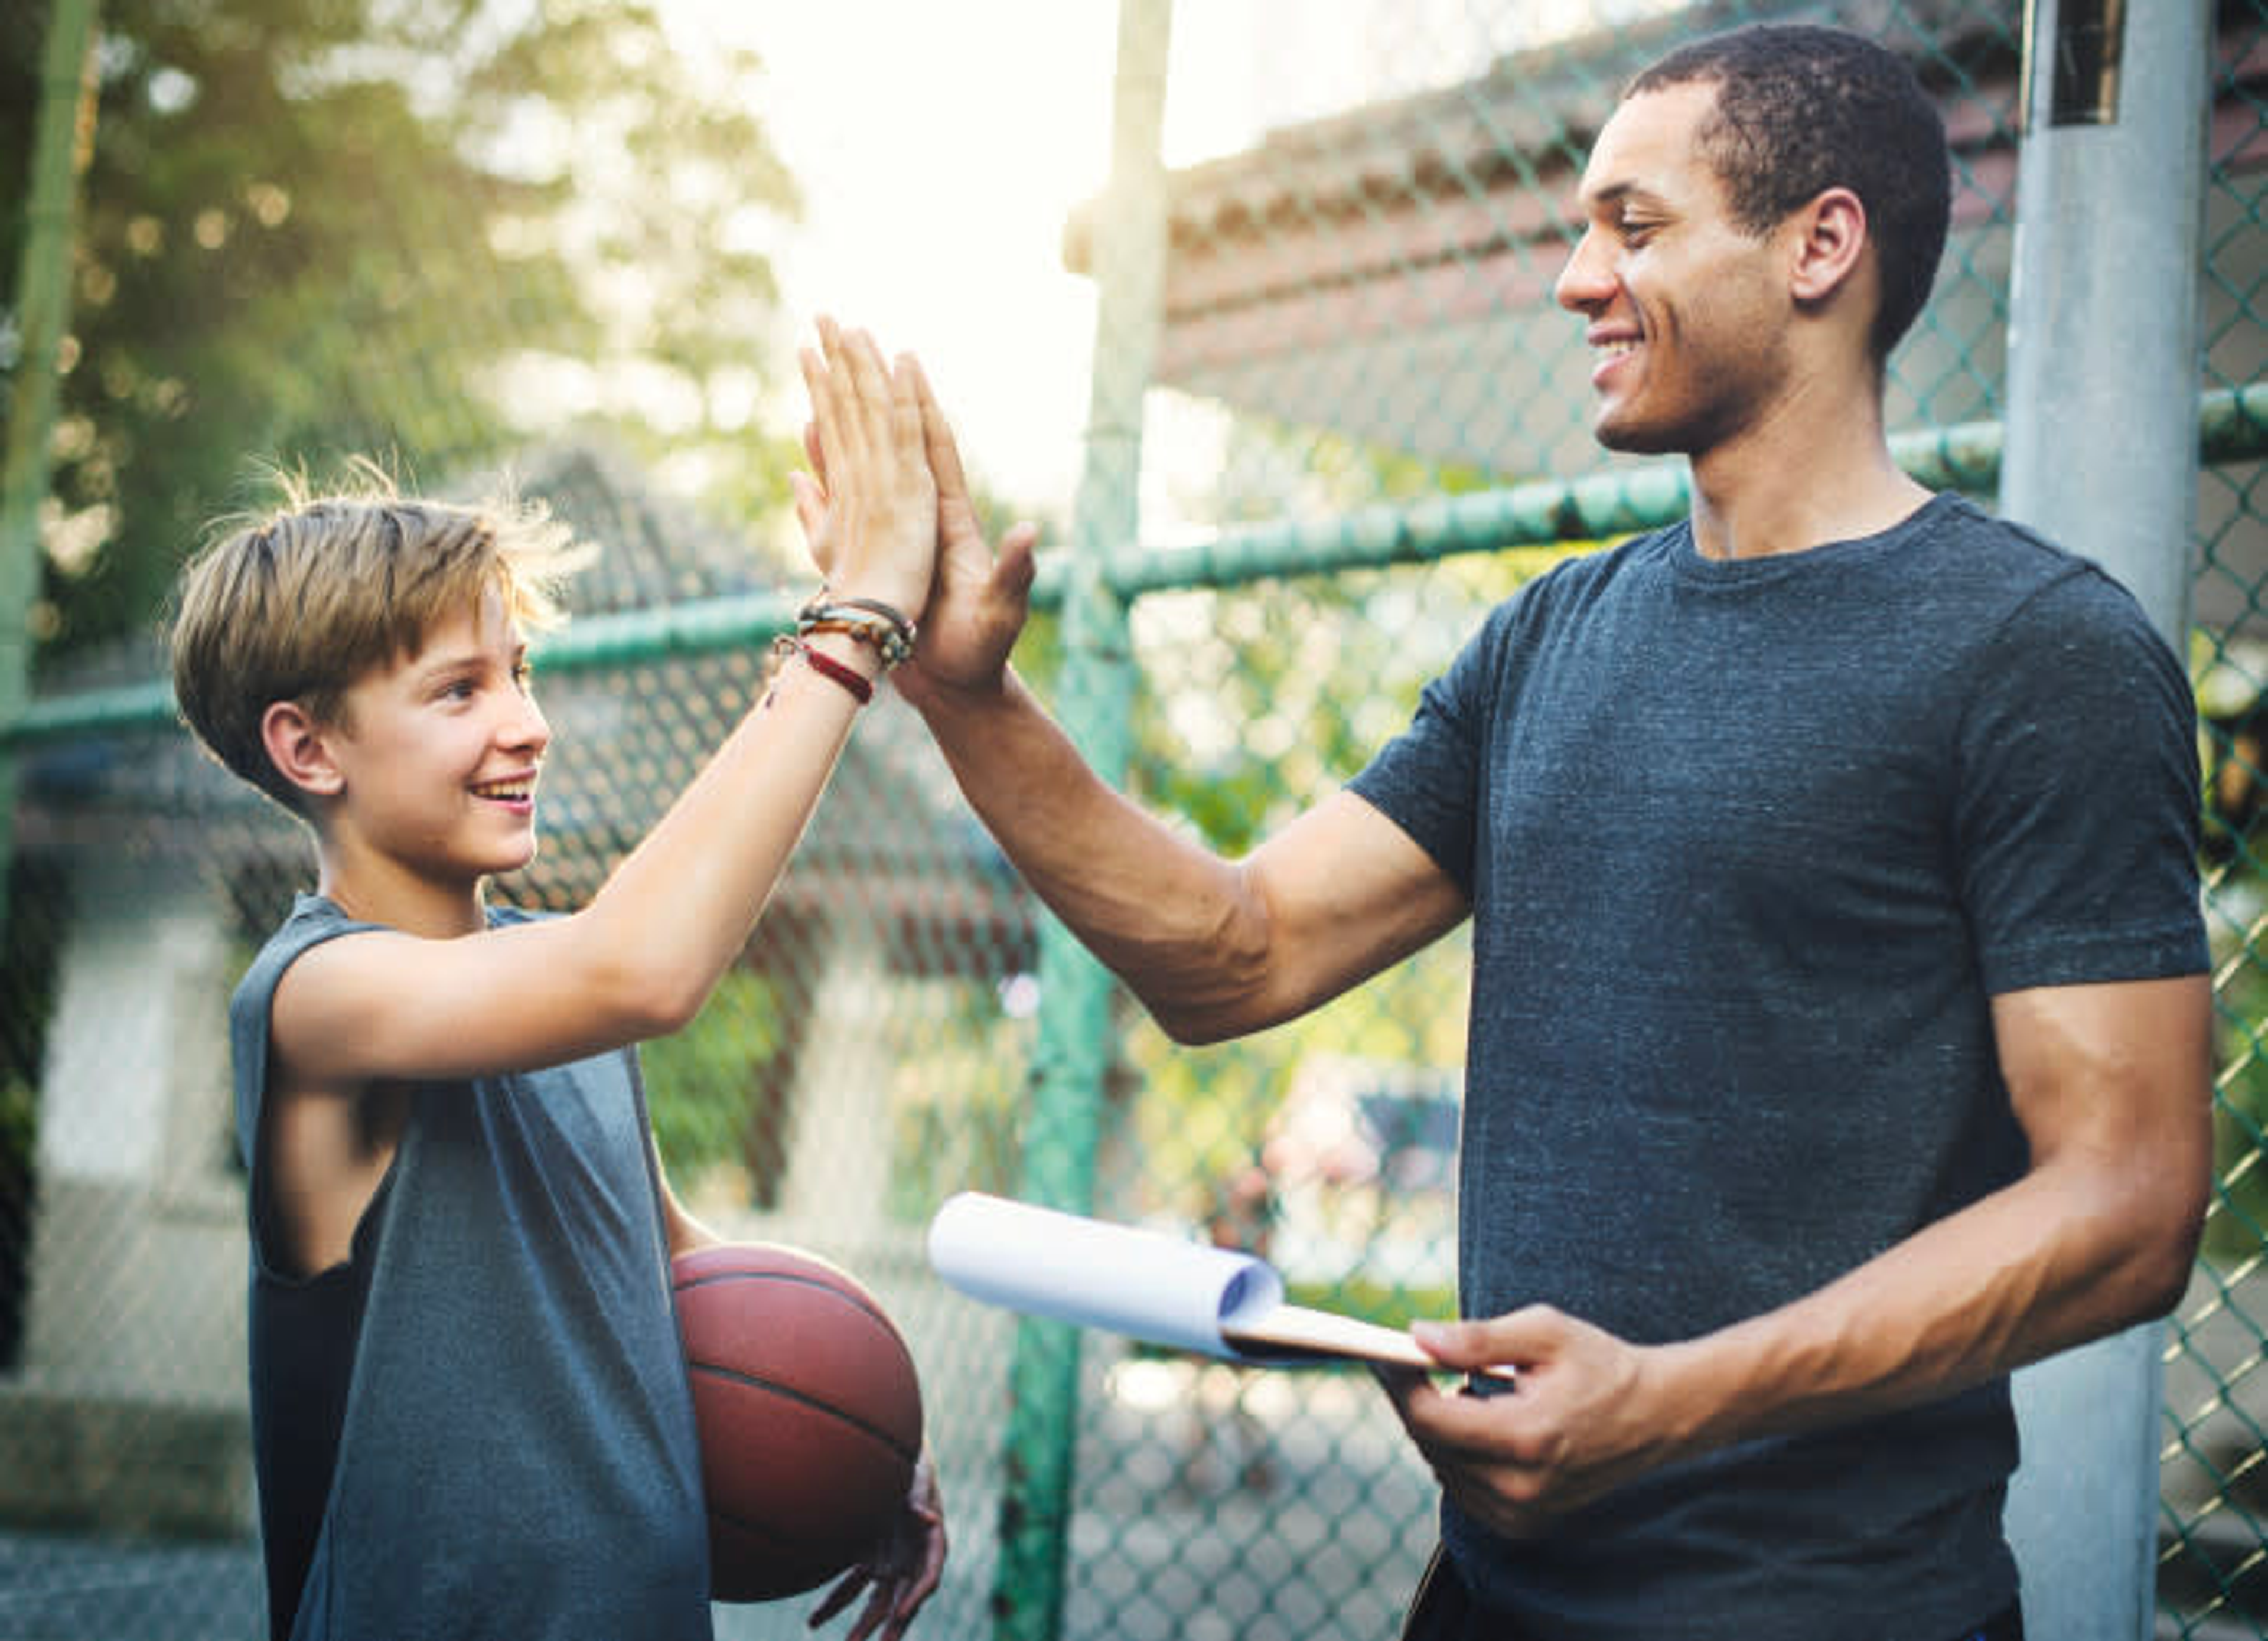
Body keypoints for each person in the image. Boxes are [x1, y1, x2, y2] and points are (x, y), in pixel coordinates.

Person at [798, 22, 2214, 1641]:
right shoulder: (1549, 640)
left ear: (1822, 244)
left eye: (1633, 224)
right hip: (1492, 1599)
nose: (1574, 279)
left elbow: (2129, 1198)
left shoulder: (2039, 651)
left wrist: (1670, 1400)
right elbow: (1233, 955)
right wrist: (970, 697)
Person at [169, 321, 948, 1641]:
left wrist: (852, 1446)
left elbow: (672, 1268)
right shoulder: (316, 1005)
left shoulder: (555, 984)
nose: (527, 722)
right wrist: (852, 624)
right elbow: (640, 967)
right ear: (307, 747)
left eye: (518, 673)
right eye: (459, 690)